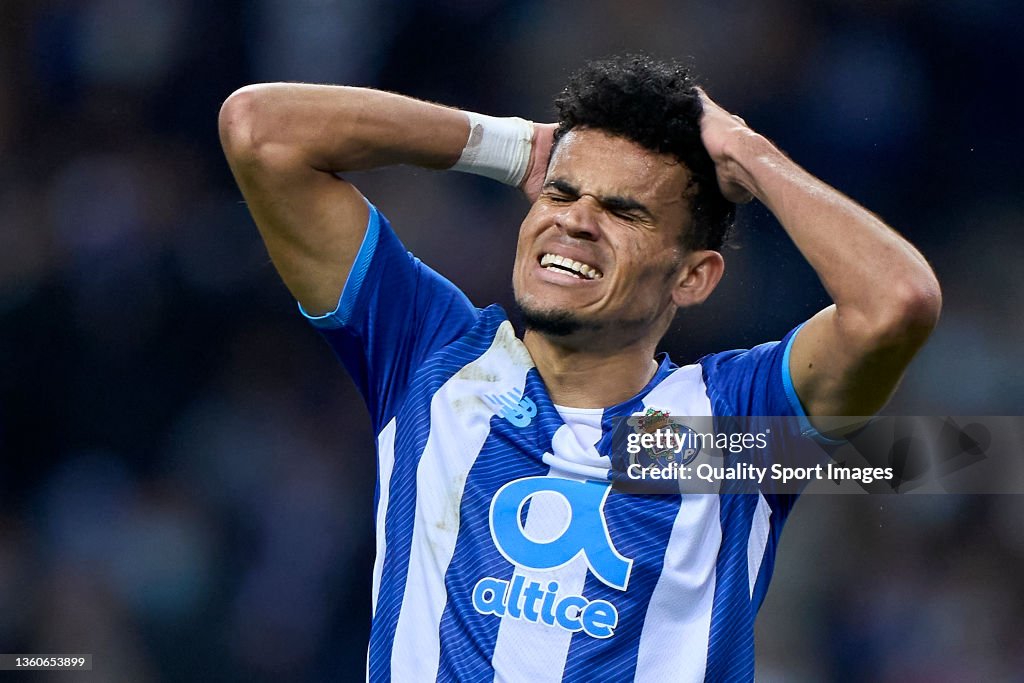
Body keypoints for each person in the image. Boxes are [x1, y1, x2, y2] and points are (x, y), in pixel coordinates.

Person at [219, 54, 940, 681]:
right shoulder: (430, 358)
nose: (576, 219)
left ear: (693, 277)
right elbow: (262, 130)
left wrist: (750, 154)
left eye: (623, 211)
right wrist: (511, 147)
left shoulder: (735, 429)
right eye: (561, 193)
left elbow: (896, 303)